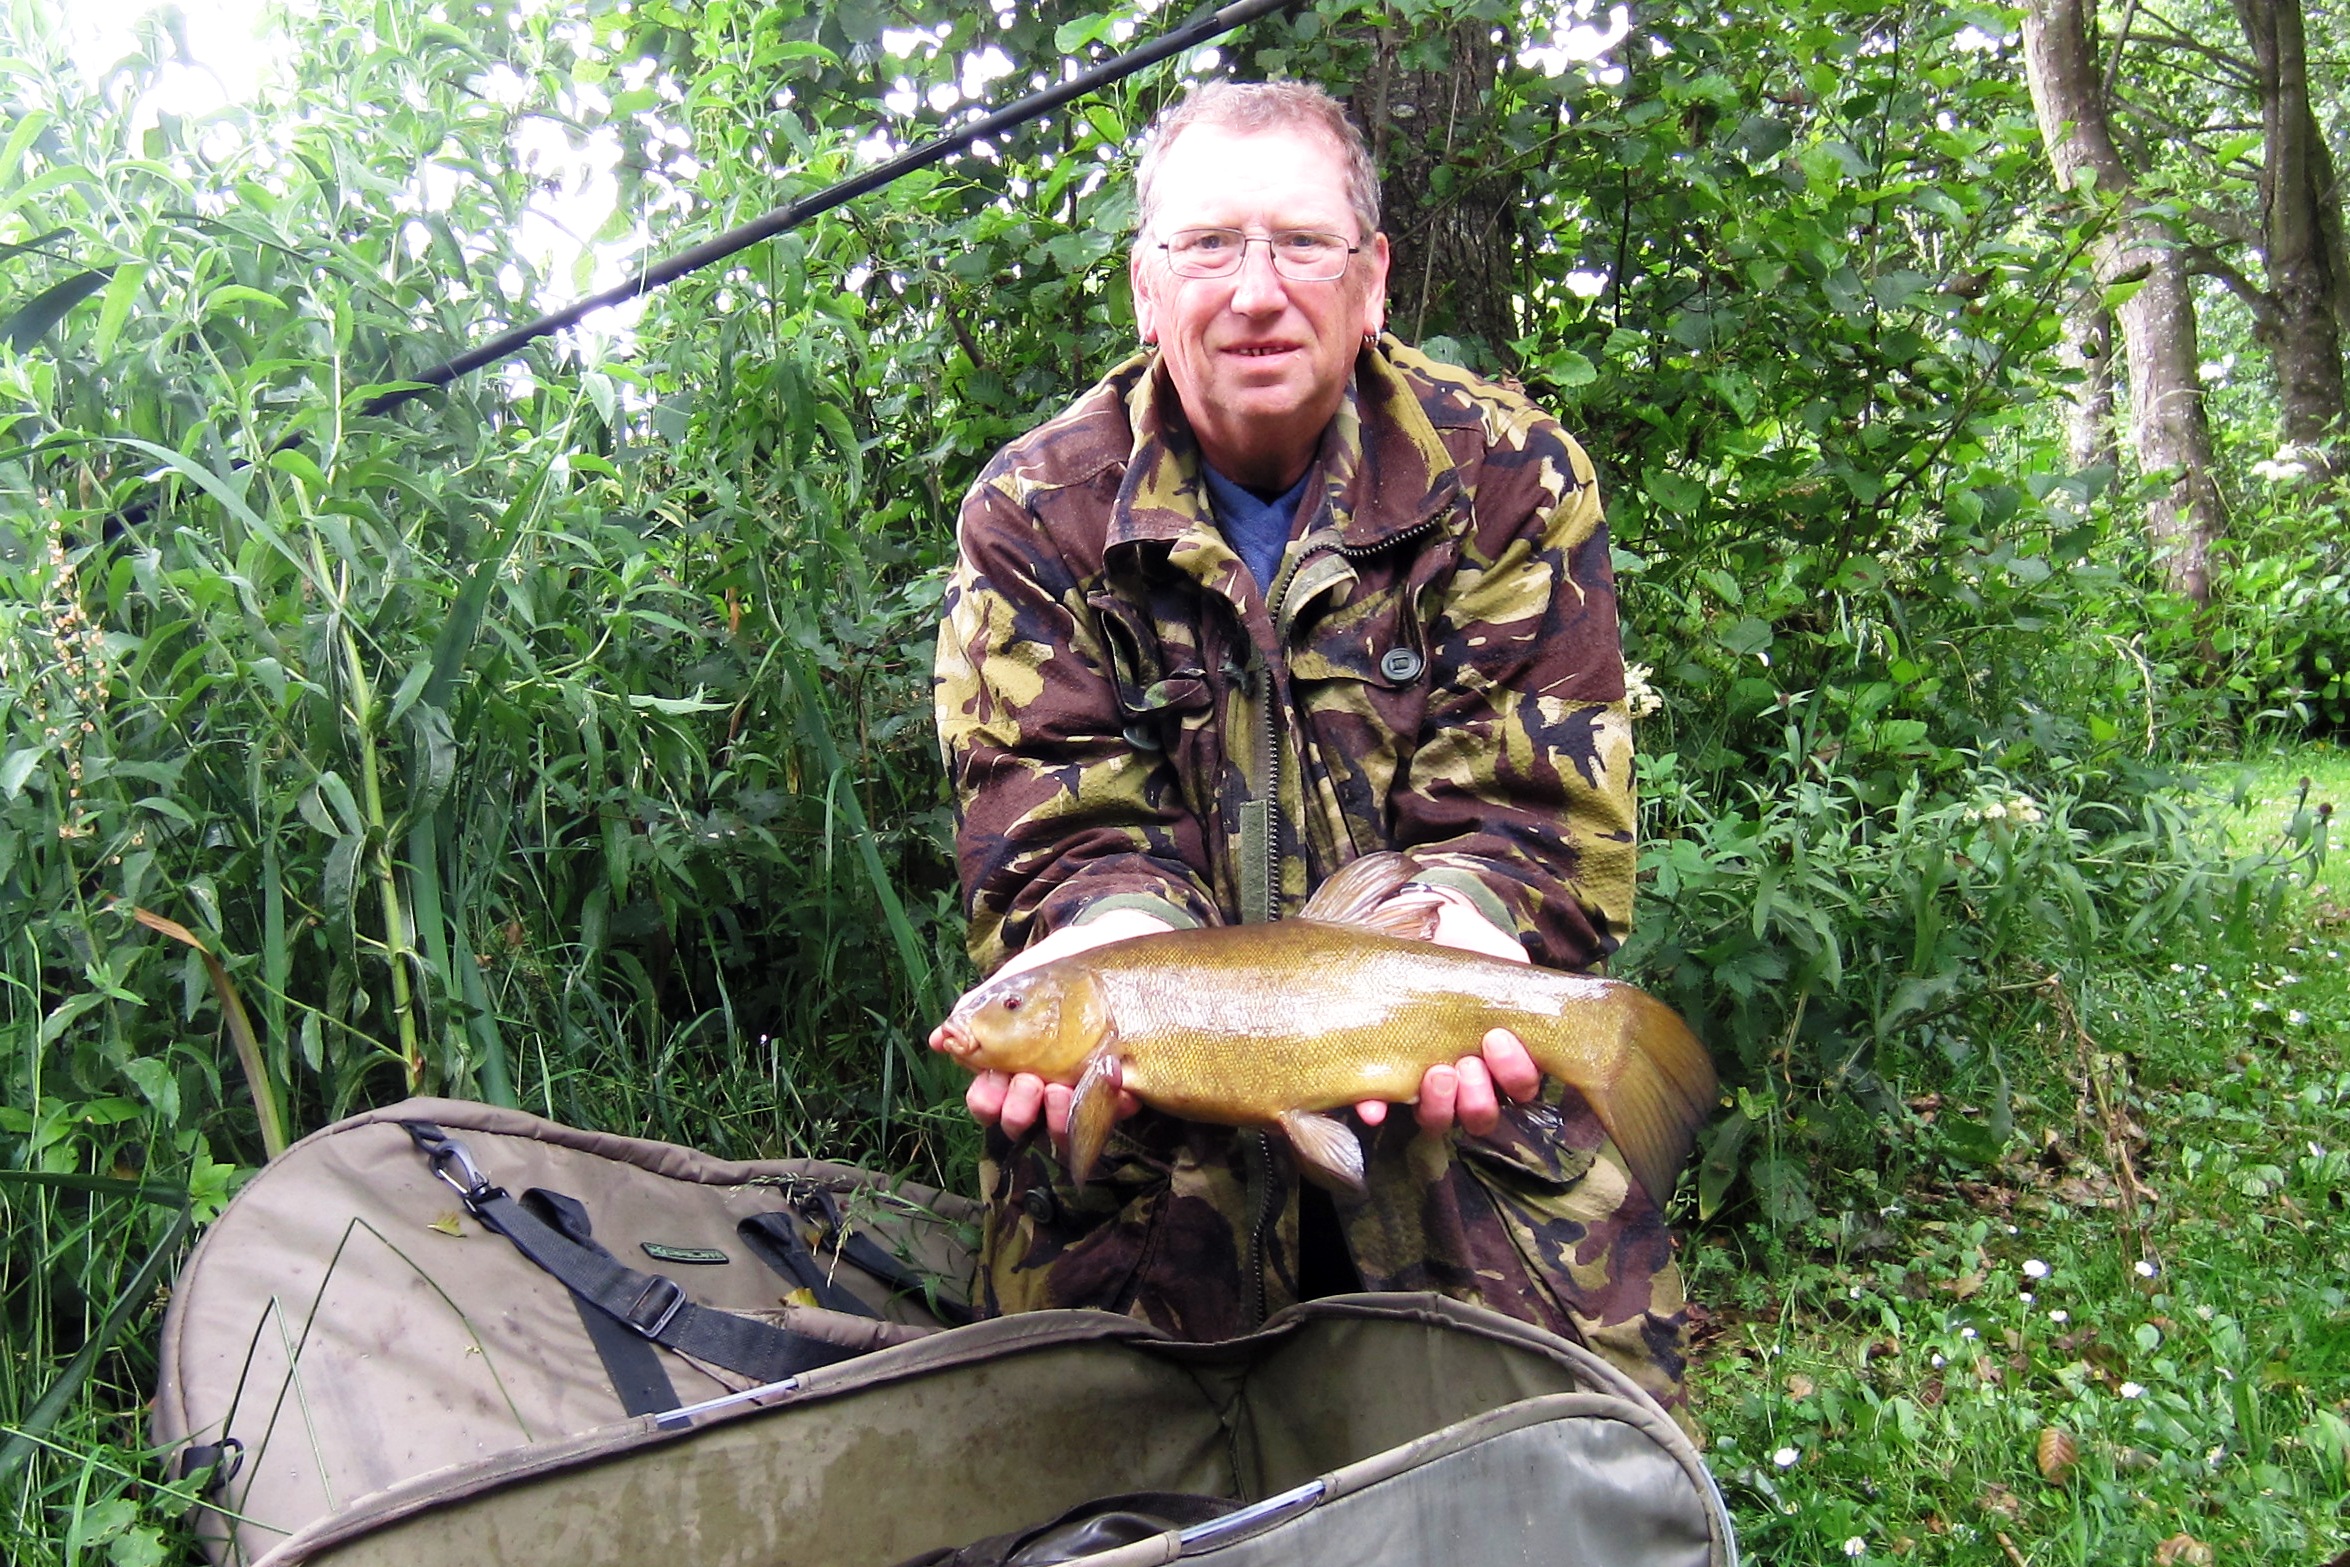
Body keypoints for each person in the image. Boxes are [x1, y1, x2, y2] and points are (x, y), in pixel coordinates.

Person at [927, 80, 1689, 1411]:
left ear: (1373, 276)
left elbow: (1534, 820)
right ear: (1145, 286)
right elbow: (1054, 831)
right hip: (1156, 1177)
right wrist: (1094, 932)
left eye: (1300, 243)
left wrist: (1462, 925)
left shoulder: (1509, 477)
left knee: (1568, 1484)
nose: (1255, 290)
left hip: (1462, 1123)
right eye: (1206, 245)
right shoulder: (1035, 512)